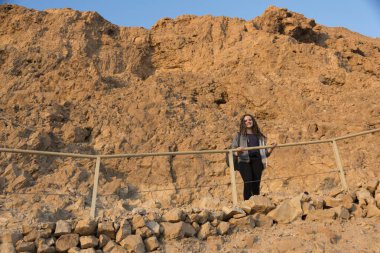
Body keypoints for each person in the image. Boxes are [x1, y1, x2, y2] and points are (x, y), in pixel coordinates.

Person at [230, 114, 277, 200]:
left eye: (250, 119)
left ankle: (256, 204)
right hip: (244, 160)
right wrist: (238, 150)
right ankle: (247, 203)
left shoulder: (259, 136)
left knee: (256, 183)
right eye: (245, 121)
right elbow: (233, 150)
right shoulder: (239, 135)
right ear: (243, 123)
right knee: (248, 181)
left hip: (257, 161)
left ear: (253, 121)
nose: (248, 121)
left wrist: (271, 148)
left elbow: (264, 153)